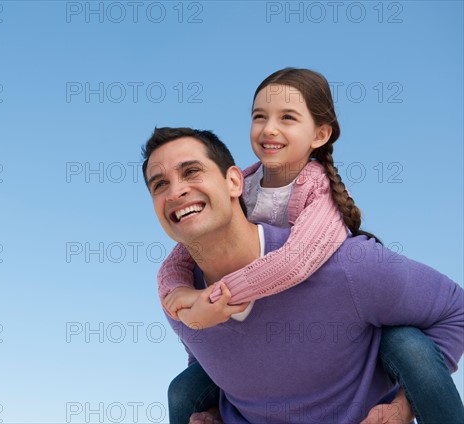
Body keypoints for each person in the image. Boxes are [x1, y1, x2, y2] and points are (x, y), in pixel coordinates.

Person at [154, 69, 464, 423]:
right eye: (259, 117)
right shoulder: (243, 187)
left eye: (287, 117)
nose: (269, 129)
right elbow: (189, 252)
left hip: (328, 310)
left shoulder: (319, 199)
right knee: (182, 390)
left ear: (320, 134)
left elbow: (296, 261)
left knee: (408, 345)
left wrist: (220, 298)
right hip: (265, 338)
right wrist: (178, 295)